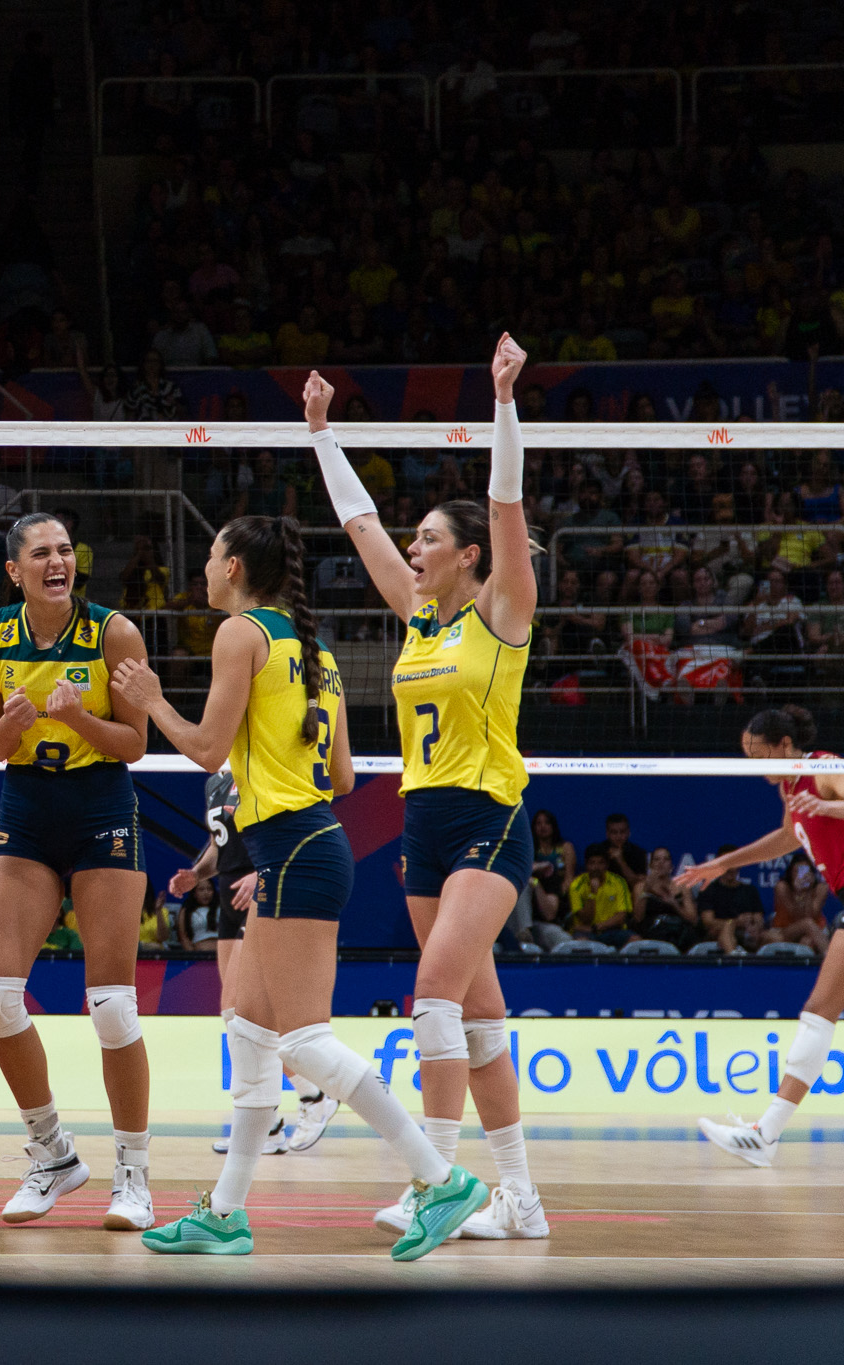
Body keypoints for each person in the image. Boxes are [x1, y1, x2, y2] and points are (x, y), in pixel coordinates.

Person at [113, 518, 486, 1261]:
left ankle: (439, 1178)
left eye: (213, 555)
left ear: (237, 567)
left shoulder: (240, 634)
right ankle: (225, 1213)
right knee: (249, 1034)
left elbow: (207, 749)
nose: (206, 570)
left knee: (305, 1042)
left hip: (294, 850)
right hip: (303, 843)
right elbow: (343, 779)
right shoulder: (312, 647)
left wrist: (154, 699)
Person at [308, 336, 547, 1242]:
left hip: (490, 819)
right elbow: (361, 525)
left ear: (469, 556)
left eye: (430, 541)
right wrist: (324, 437)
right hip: (425, 825)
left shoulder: (503, 614)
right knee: (480, 1021)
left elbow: (507, 503)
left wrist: (502, 403)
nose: (413, 549)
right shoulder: (416, 619)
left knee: (435, 996)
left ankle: (437, 1182)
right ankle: (520, 1199)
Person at [0, 511, 154, 1231]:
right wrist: (11, 725)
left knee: (111, 1005)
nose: (58, 561)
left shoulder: (114, 634)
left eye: (67, 549)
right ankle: (53, 1153)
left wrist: (76, 720)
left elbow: (135, 742)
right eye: (42, 552)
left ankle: (132, 1172)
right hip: (29, 808)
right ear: (15, 570)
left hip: (102, 803)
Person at [678, 706, 844, 1166]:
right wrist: (724, 864)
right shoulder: (792, 787)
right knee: (821, 1012)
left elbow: (828, 809)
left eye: (757, 753)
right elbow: (790, 837)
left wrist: (829, 806)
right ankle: (764, 1136)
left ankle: (765, 1136)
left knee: (818, 1012)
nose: (752, 764)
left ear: (785, 745)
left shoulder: (823, 768)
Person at [170, 764, 340, 1157]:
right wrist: (197, 873)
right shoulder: (216, 780)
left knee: (251, 1013)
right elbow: (219, 844)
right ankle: (267, 1125)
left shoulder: (263, 762)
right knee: (233, 1013)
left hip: (262, 891)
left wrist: (262, 874)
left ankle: (314, 1095)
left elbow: (282, 828)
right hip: (229, 896)